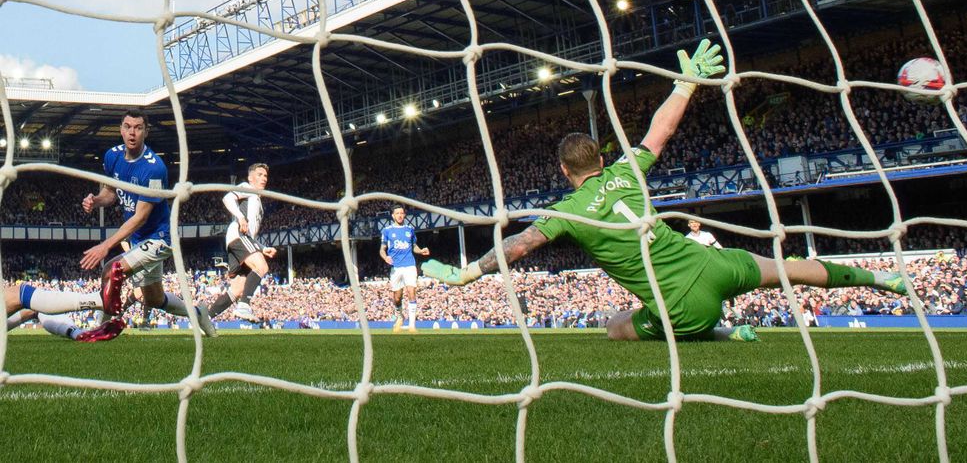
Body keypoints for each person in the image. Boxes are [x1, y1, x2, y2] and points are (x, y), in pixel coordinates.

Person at [423, 40, 907, 342]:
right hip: (713, 265)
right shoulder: (627, 171)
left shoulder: (567, 211)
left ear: (564, 169)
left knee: (615, 328)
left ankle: (720, 334)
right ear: (600, 157)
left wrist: (469, 274)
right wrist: (686, 83)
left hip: (680, 303)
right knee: (792, 269)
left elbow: (520, 244)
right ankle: (879, 279)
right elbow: (661, 131)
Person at [79, 109, 215, 338]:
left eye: (138, 127)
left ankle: (98, 328)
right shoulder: (112, 156)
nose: (132, 132)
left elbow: (141, 216)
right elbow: (111, 193)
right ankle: (198, 313)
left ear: (146, 131)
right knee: (154, 298)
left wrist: (105, 245)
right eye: (127, 126)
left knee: (110, 269)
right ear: (121, 129)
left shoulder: (154, 168)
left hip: (159, 238)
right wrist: (96, 200)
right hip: (139, 239)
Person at [203, 163, 277, 322]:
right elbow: (228, 197)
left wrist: (262, 248)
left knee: (237, 289)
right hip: (237, 235)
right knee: (262, 267)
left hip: (242, 239)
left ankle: (205, 319)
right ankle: (244, 306)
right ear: (250, 178)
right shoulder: (247, 188)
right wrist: (240, 217)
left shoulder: (257, 201)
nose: (263, 178)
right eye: (259, 174)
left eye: (265, 176)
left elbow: (251, 234)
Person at [379, 204, 429, 333]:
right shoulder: (387, 231)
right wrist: (385, 258)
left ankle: (412, 325)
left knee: (411, 292)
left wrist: (421, 250)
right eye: (397, 213)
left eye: (402, 213)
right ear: (393, 215)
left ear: (404, 215)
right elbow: (382, 250)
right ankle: (400, 316)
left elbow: (414, 246)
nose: (400, 215)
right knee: (397, 297)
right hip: (396, 267)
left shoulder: (409, 229)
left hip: (409, 265)